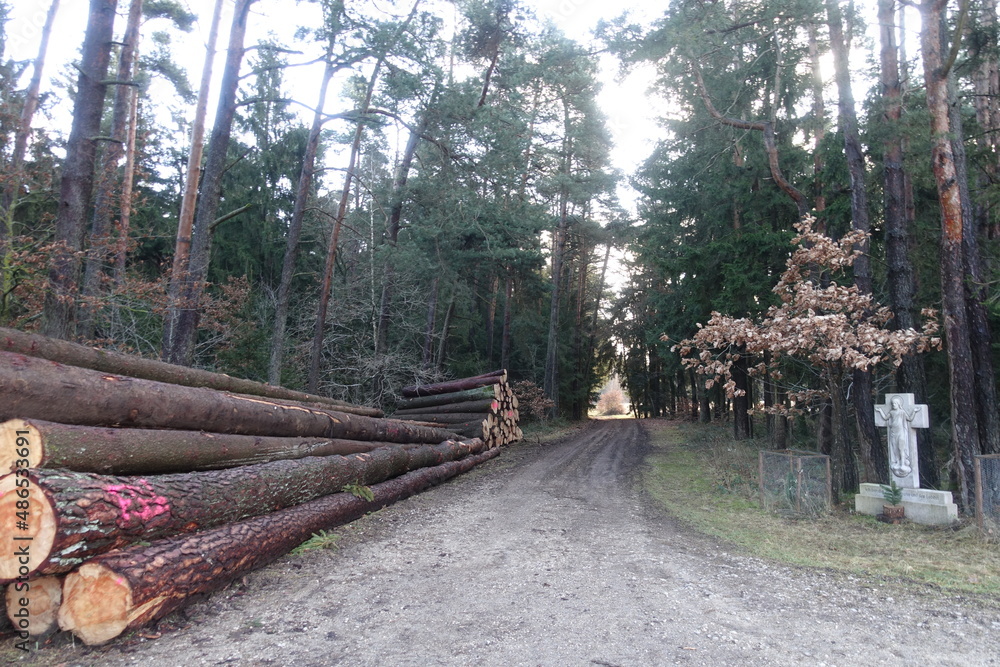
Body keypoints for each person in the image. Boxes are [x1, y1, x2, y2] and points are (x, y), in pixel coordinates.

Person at [875, 396, 920, 478]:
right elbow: (885, 418)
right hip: (893, 433)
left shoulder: (902, 412)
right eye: (892, 404)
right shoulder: (892, 412)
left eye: (895, 403)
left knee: (901, 448)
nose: (893, 405)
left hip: (901, 433)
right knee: (895, 449)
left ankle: (903, 464)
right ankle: (898, 462)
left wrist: (914, 411)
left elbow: (909, 419)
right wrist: (880, 410)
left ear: (899, 404)